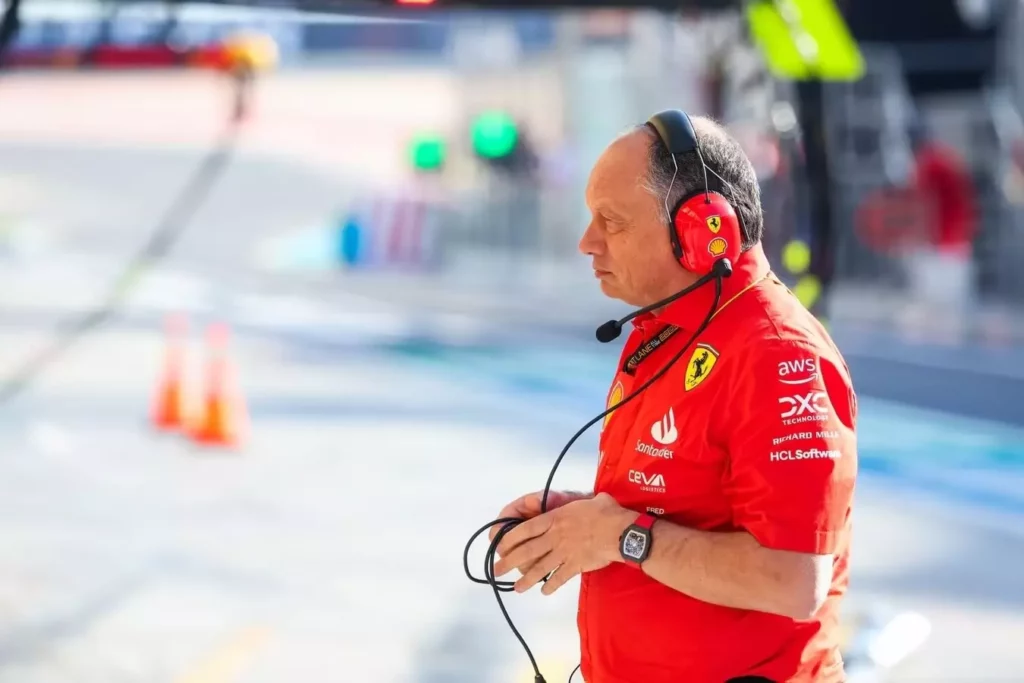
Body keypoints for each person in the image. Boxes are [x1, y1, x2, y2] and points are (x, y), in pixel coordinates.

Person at [490, 112, 858, 683]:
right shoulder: (665, 332)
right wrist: (579, 518)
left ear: (702, 230)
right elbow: (684, 501)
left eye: (611, 222)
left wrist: (618, 534)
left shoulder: (777, 355)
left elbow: (792, 580)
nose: (587, 243)